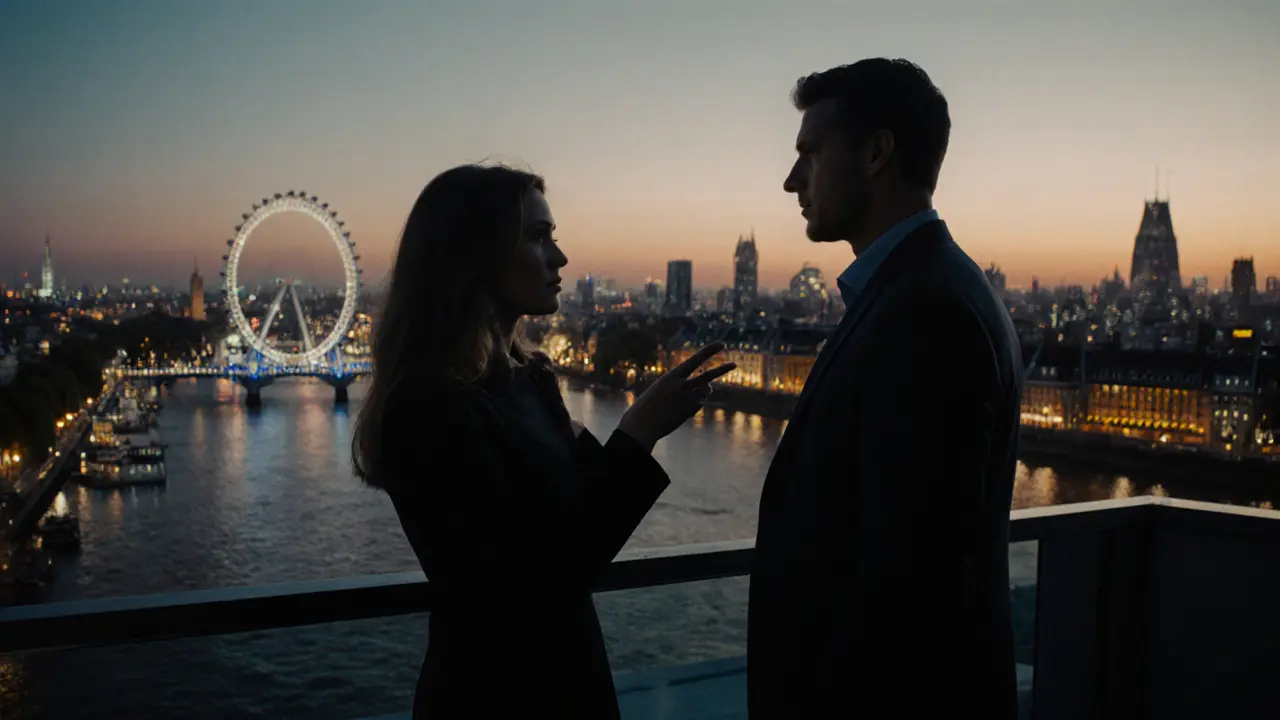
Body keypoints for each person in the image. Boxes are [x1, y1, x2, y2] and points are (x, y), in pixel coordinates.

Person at [352, 163, 735, 719]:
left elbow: (577, 523)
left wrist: (635, 435)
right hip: (496, 697)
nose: (559, 258)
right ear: (474, 255)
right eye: (538, 236)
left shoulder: (530, 379)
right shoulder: (429, 403)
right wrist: (638, 432)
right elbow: (535, 580)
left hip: (569, 684)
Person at [747, 59, 1023, 718]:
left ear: (876, 153)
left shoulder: (923, 311)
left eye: (810, 154)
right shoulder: (938, 286)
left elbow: (909, 577)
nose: (791, 180)